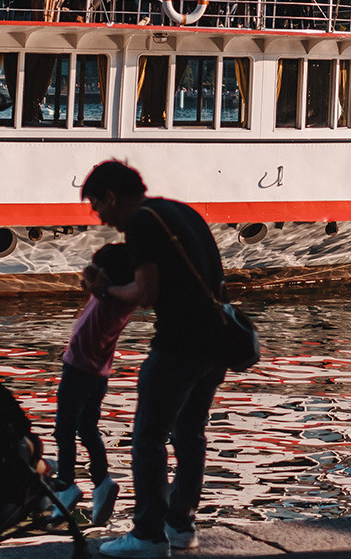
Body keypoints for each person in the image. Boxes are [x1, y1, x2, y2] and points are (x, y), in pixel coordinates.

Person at [81, 161, 227, 557]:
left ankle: (147, 534)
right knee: (190, 435)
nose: (101, 217)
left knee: (148, 437)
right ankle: (181, 526)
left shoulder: (142, 222)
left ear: (111, 197)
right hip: (216, 343)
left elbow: (146, 292)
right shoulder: (178, 210)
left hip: (179, 344)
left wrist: (105, 290)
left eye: (98, 206)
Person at [51, 241, 137, 524]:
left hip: (77, 370)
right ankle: (101, 481)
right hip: (98, 375)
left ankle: (66, 484)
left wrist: (95, 275)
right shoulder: (118, 299)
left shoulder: (107, 296)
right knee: (87, 429)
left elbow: (92, 281)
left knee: (64, 429)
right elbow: (91, 282)